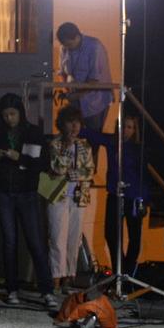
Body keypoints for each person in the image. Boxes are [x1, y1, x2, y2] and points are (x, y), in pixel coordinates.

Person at [0, 93, 57, 308]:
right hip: (4, 192)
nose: (9, 119)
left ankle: (47, 290)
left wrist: (19, 158)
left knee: (35, 241)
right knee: (9, 242)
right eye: (5, 115)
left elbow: (42, 163)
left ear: (20, 113)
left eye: (12, 114)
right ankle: (12, 289)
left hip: (27, 192)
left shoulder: (33, 133)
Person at [85, 112, 150, 277]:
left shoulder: (137, 149)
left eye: (130, 127)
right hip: (115, 195)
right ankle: (119, 272)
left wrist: (145, 200)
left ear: (134, 130)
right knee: (111, 234)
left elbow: (144, 175)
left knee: (134, 237)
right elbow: (93, 135)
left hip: (133, 197)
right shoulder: (112, 142)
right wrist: (74, 128)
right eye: (124, 126)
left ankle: (127, 273)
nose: (126, 130)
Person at [46, 106, 95, 292]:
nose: (74, 126)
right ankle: (55, 277)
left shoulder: (85, 145)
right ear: (62, 124)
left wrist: (79, 175)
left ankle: (69, 276)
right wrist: (67, 149)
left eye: (77, 122)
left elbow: (90, 171)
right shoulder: (55, 144)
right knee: (57, 236)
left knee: (74, 239)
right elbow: (57, 168)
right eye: (70, 122)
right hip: (57, 194)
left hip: (78, 196)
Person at [56, 22, 112, 135]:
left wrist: (75, 95)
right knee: (73, 135)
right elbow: (62, 72)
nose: (67, 48)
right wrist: (67, 91)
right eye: (64, 45)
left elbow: (94, 80)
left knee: (93, 137)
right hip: (75, 100)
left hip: (95, 101)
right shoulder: (64, 48)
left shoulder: (94, 46)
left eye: (69, 44)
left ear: (77, 37)